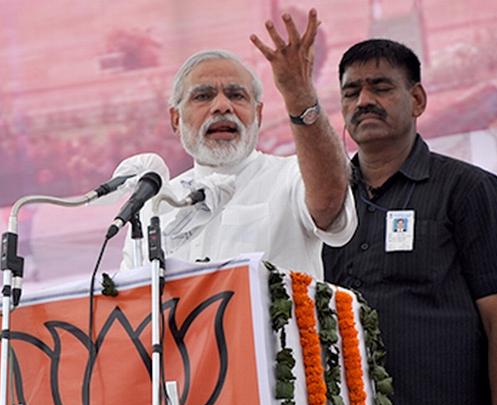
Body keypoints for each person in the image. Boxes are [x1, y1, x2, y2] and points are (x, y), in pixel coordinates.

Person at [322, 39, 497, 405]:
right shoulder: (325, 203)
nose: (363, 101)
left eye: (381, 87)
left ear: (417, 100)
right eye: (351, 92)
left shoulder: (469, 189)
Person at [121, 9, 357, 279]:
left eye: (236, 95)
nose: (222, 106)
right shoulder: (154, 205)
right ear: (176, 119)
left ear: (258, 114)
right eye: (203, 96)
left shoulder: (292, 176)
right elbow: (130, 300)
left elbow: (329, 205)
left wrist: (300, 95)